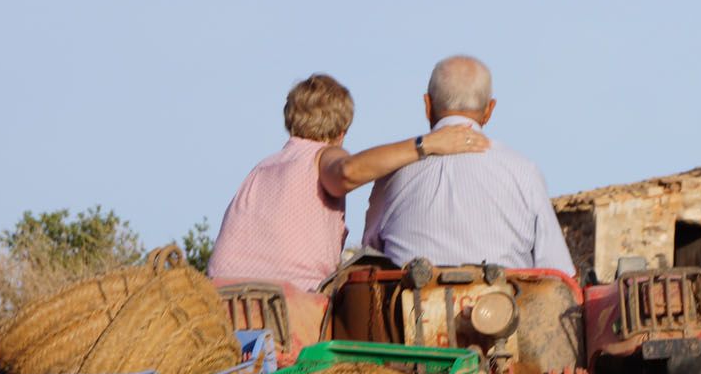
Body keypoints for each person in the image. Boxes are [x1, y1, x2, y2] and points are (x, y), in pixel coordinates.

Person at [207, 73, 489, 290]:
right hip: (288, 302)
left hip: (224, 297)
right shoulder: (322, 157)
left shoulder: (264, 168)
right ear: (343, 132)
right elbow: (347, 172)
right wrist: (427, 144)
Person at [362, 55, 575, 274]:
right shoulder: (524, 171)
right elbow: (557, 272)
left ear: (427, 105)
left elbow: (371, 252)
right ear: (489, 110)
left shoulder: (391, 171)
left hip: (410, 306)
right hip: (502, 304)